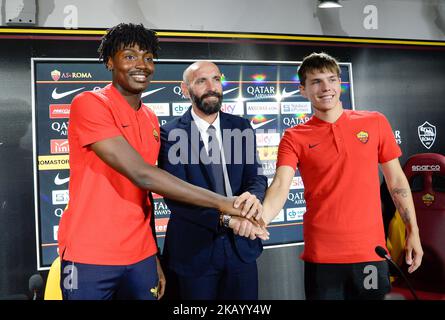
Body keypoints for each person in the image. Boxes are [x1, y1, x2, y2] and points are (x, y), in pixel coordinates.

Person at [58, 24, 267, 300]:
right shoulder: (89, 103)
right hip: (91, 254)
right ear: (110, 61)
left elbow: (145, 196)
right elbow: (143, 175)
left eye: (148, 57)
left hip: (142, 255)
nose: (141, 65)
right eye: (129, 56)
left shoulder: (151, 120)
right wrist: (226, 206)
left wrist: (154, 254)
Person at [261, 52, 423, 300]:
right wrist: (260, 220)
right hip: (322, 257)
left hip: (371, 253)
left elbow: (397, 182)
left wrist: (414, 232)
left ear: (340, 84)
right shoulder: (294, 137)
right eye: (316, 82)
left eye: (332, 79)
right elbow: (281, 185)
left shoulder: (375, 122)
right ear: (302, 89)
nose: (326, 88)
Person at [158, 61, 268, 300]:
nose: (212, 87)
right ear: (185, 89)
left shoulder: (241, 126)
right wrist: (228, 219)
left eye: (216, 79)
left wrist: (252, 202)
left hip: (242, 248)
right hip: (194, 253)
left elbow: (256, 177)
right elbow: (176, 197)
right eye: (201, 81)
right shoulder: (169, 133)